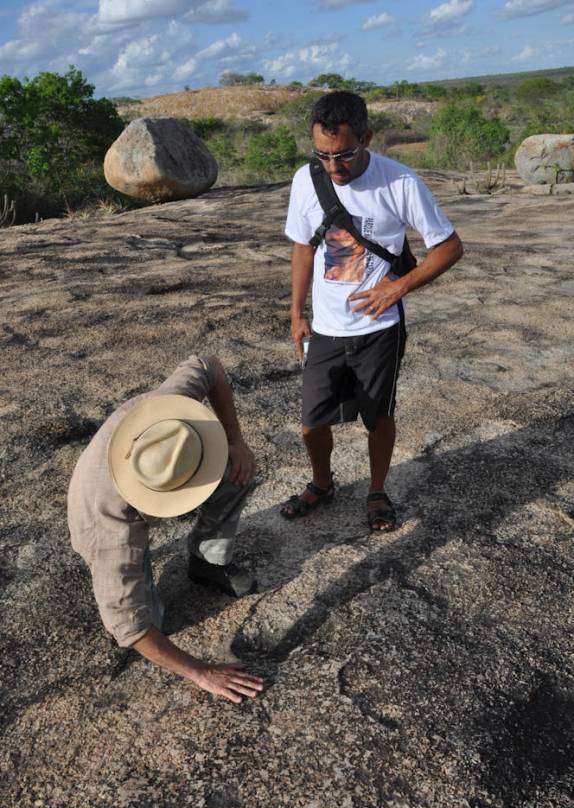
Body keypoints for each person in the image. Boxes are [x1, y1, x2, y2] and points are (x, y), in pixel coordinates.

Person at [281, 90, 463, 531]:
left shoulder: (399, 182)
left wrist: (398, 287)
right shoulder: (307, 180)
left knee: (378, 416)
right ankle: (322, 483)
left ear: (367, 137)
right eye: (322, 155)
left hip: (380, 328)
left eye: (343, 154)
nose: (333, 167)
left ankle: (377, 491)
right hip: (325, 327)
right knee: (310, 422)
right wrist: (296, 312)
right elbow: (304, 247)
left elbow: (450, 248)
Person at [68, 354, 263, 704]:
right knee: (153, 618)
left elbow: (210, 365)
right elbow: (131, 628)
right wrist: (200, 671)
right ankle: (141, 576)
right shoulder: (112, 531)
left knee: (237, 469)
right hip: (95, 511)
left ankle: (207, 562)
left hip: (141, 465)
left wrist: (234, 440)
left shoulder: (172, 415)